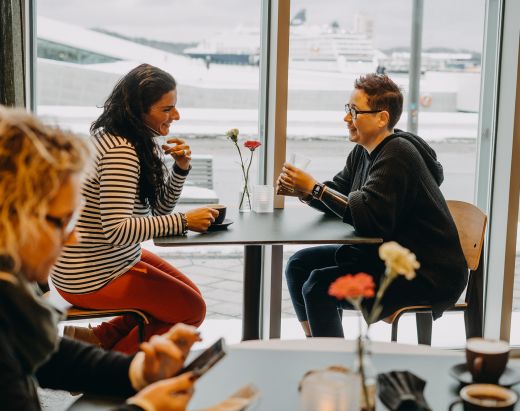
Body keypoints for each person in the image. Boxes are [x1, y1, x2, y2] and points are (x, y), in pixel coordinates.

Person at [0, 106, 201, 410]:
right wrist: (143, 407)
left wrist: (138, 371)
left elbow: (50, 357)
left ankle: (101, 339)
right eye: (60, 222)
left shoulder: (10, 297)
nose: (71, 238)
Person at [277, 73, 467, 338]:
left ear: (382, 118)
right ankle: (317, 347)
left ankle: (335, 364)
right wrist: (306, 192)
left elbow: (368, 217)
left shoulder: (398, 154)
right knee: (298, 264)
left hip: (422, 272)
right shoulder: (363, 151)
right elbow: (340, 195)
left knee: (318, 286)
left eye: (354, 111)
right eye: (347, 109)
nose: (346, 118)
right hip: (384, 254)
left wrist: (316, 189)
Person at [50, 64, 219, 353]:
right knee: (190, 310)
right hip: (90, 273)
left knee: (187, 300)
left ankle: (97, 340)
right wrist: (185, 221)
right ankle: (108, 369)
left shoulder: (127, 140)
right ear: (138, 110)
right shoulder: (121, 152)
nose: (176, 116)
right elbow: (117, 230)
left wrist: (181, 169)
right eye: (167, 109)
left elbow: (161, 209)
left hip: (99, 261)